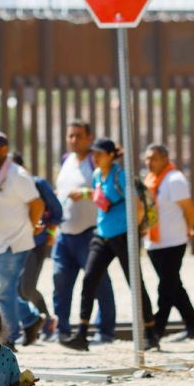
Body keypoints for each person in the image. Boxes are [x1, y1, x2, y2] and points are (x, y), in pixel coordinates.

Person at [61, 138, 159, 352]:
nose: (94, 158)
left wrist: (136, 230)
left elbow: (138, 205)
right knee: (89, 280)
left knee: (135, 283)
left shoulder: (120, 176)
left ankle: (151, 334)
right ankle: (82, 335)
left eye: (99, 154)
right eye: (93, 154)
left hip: (123, 236)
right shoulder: (97, 175)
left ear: (111, 155)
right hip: (102, 235)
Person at [0, 133, 44, 348]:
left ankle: (8, 340)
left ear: (4, 149)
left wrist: (31, 227)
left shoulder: (18, 174)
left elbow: (37, 204)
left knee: (3, 293)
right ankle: (31, 318)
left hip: (14, 243)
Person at [52, 120, 116, 344]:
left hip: (89, 233)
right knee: (60, 281)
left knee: (98, 283)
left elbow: (106, 191)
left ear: (89, 138)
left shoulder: (95, 161)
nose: (73, 140)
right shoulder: (66, 160)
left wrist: (86, 192)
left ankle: (105, 331)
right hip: (64, 232)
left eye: (79, 136)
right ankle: (62, 329)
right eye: (71, 135)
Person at [142, 143, 194, 341]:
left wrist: (190, 227)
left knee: (166, 288)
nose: (150, 163)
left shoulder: (174, 179)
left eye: (154, 158)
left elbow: (189, 208)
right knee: (173, 285)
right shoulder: (150, 179)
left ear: (165, 159)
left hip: (173, 241)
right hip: (154, 242)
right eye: (147, 158)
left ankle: (157, 329)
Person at [13, 152, 63, 341]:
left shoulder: (38, 184)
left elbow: (57, 211)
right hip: (16, 244)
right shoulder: (4, 186)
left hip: (37, 243)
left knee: (27, 288)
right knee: (15, 288)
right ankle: (28, 326)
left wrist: (50, 234)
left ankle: (47, 321)